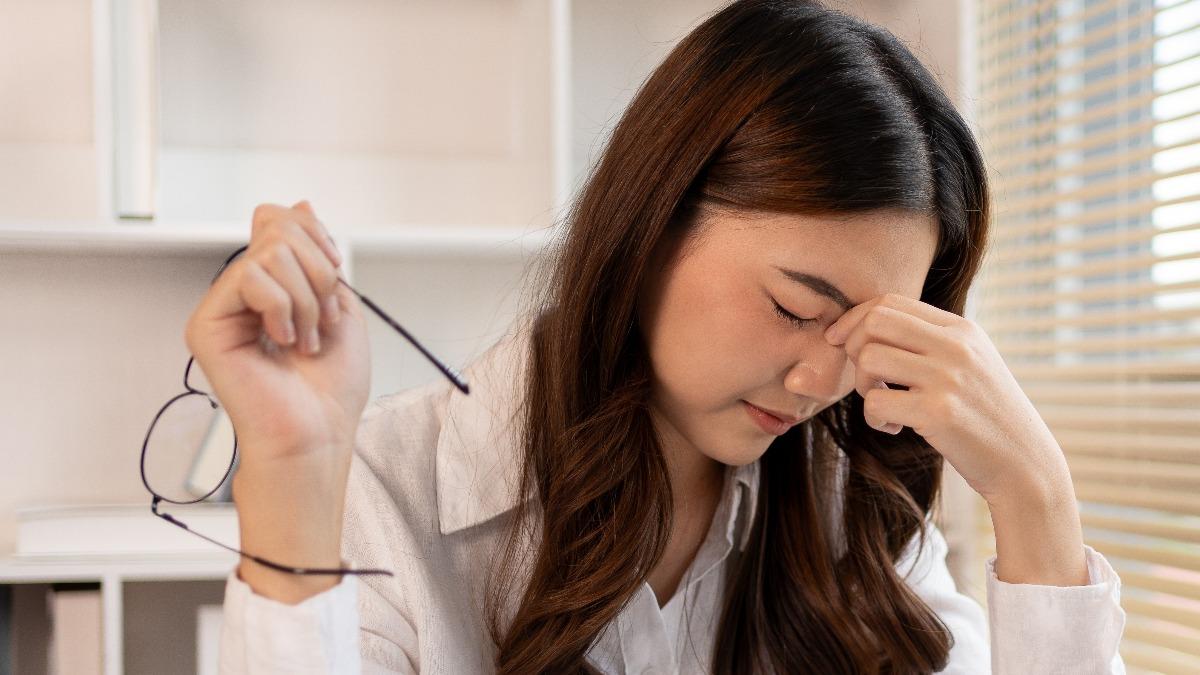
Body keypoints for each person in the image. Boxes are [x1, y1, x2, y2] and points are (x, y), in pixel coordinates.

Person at [186, 1, 1127, 672]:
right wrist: (295, 474)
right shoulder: (390, 494)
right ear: (652, 224)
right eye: (796, 308)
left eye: (862, 337)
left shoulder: (859, 520)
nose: (817, 379)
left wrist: (1036, 496)